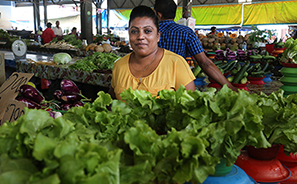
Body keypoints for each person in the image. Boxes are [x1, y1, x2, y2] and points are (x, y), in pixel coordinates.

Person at [109, 5, 196, 100]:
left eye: (147, 31)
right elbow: (112, 103)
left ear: (158, 36)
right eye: (134, 31)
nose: (140, 37)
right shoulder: (119, 66)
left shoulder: (176, 64)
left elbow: (191, 107)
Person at [154, 0, 237, 91]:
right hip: (179, 84)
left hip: (153, 82)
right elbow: (205, 63)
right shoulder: (186, 32)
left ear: (158, 14)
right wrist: (230, 87)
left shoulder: (149, 32)